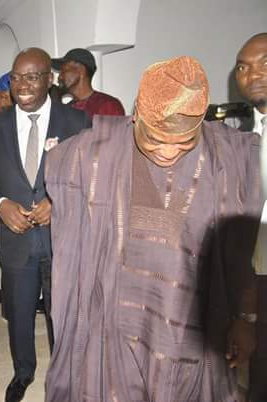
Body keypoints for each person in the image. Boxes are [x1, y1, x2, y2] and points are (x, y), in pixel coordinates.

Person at [45, 56, 260, 402]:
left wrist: (245, 318)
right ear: (137, 118)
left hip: (190, 324)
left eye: (184, 142)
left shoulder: (230, 158)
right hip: (116, 319)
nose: (168, 153)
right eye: (156, 140)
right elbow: (59, 167)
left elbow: (244, 252)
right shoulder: (93, 156)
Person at [0, 47, 90, 402]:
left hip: (62, 240)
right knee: (19, 314)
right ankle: (22, 372)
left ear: (49, 79)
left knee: (62, 314)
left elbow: (90, 178)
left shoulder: (77, 123)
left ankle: (64, 374)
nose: (22, 85)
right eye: (16, 78)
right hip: (16, 240)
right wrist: (1, 205)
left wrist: (59, 202)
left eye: (32, 76)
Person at [236, 32, 267, 402]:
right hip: (256, 278)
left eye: (264, 63)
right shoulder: (244, 139)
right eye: (243, 67)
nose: (253, 74)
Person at [54, 48, 125, 118]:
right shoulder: (66, 109)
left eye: (63, 71)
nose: (59, 77)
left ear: (81, 70)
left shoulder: (108, 106)